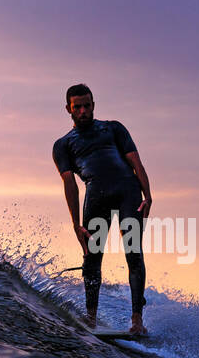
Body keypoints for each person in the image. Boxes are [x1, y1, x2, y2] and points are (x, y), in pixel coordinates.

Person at [52, 84, 153, 335]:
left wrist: (148, 195)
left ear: (94, 105)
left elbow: (135, 161)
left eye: (88, 105)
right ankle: (91, 319)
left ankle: (137, 321)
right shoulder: (63, 145)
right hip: (96, 197)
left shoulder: (114, 128)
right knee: (92, 258)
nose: (84, 111)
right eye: (78, 107)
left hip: (128, 192)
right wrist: (76, 224)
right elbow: (70, 185)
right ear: (69, 109)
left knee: (134, 252)